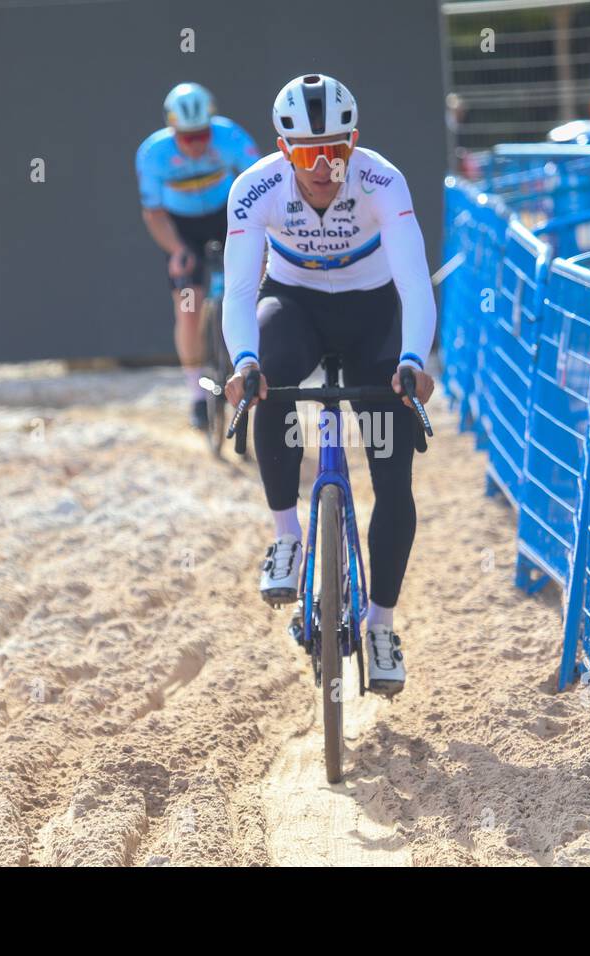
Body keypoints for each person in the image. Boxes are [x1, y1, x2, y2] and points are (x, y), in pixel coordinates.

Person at [220, 74, 436, 697]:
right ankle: (286, 534)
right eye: (309, 153)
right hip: (297, 307)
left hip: (374, 315)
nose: (324, 166)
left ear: (354, 144)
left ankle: (382, 624)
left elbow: (415, 285)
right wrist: (242, 361)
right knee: (268, 370)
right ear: (283, 149)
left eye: (337, 150)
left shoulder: (382, 181)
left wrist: (414, 360)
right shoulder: (254, 188)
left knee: (393, 472)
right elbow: (239, 291)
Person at [135, 83, 259, 428]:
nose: (197, 143)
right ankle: (195, 395)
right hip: (181, 227)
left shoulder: (230, 136)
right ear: (172, 129)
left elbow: (261, 182)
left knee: (248, 293)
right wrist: (176, 250)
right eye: (187, 138)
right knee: (187, 308)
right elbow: (154, 214)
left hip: (225, 215)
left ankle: (249, 372)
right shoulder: (153, 153)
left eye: (203, 134)